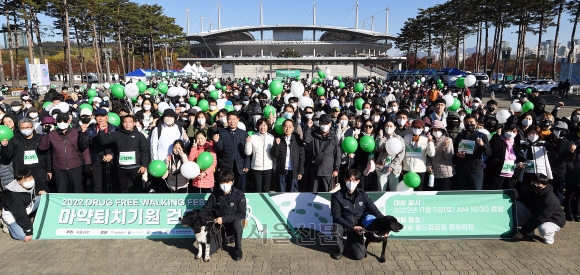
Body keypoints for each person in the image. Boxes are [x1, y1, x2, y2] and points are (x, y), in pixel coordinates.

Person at [330, 169, 384, 260]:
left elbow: (374, 210)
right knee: (335, 229)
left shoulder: (363, 195)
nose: (351, 182)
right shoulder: (336, 196)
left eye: (354, 180)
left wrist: (385, 223)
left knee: (360, 256)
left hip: (357, 226)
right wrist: (352, 227)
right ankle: (339, 249)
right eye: (349, 180)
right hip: (343, 224)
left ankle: (350, 242)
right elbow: (336, 216)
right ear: (345, 180)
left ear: (358, 181)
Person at [199, 169, 246, 261]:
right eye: (222, 182)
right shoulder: (215, 194)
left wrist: (224, 219)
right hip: (218, 226)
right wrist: (199, 222)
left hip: (232, 223)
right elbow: (205, 210)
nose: (224, 185)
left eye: (227, 182)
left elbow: (242, 214)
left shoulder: (239, 195)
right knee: (208, 251)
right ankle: (226, 239)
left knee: (237, 224)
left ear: (232, 182)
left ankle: (238, 248)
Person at [38, 112, 90, 193]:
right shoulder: (52, 134)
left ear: (69, 122)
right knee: (61, 190)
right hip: (59, 167)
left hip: (75, 165)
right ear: (56, 122)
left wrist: (87, 163)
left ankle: (79, 205)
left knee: (78, 189)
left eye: (65, 121)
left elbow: (84, 147)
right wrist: (45, 134)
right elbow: (42, 148)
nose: (62, 123)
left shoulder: (76, 132)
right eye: (60, 121)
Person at [98, 115, 150, 193]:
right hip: (122, 168)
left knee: (137, 188)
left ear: (134, 123)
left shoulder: (139, 136)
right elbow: (104, 141)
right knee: (123, 189)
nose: (127, 124)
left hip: (136, 168)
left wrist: (144, 165)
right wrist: (101, 131)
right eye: (125, 122)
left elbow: (145, 151)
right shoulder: (117, 134)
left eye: (130, 122)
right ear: (122, 123)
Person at [514, 173, 566, 245]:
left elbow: (540, 217)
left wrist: (522, 232)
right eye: (534, 182)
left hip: (553, 219)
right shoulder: (532, 190)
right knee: (518, 205)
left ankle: (549, 236)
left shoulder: (549, 199)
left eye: (538, 183)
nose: (535, 185)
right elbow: (526, 200)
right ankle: (529, 231)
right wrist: (518, 197)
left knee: (544, 229)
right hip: (537, 213)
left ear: (544, 185)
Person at [0, 118, 49, 194]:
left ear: (32, 127)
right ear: (19, 129)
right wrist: (4, 147)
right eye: (23, 128)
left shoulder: (40, 139)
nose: (25, 130)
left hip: (39, 171)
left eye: (28, 127)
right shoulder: (14, 140)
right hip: (23, 172)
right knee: (24, 194)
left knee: (42, 192)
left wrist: (49, 170)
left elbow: (47, 154)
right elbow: (8, 155)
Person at [80, 108, 117, 193]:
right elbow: (83, 145)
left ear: (107, 117)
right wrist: (82, 133)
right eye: (98, 116)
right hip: (96, 161)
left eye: (102, 116)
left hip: (111, 161)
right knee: (97, 186)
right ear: (94, 118)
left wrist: (112, 154)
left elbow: (119, 146)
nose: (100, 118)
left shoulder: (114, 129)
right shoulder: (90, 130)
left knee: (112, 184)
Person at [0, 169, 43, 241]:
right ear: (19, 182)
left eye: (31, 178)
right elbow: (20, 215)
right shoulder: (16, 198)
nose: (30, 181)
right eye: (26, 180)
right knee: (22, 236)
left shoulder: (29, 184)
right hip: (13, 215)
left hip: (27, 207)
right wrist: (29, 231)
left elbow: (32, 190)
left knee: (43, 198)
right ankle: (6, 223)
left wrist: (39, 191)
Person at [212, 112, 250, 192]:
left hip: (240, 167)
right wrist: (216, 142)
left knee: (241, 190)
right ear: (227, 120)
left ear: (238, 120)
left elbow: (247, 150)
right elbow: (219, 149)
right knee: (226, 190)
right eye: (229, 119)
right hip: (226, 166)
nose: (232, 121)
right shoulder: (221, 132)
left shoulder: (243, 133)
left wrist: (247, 164)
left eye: (234, 119)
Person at [453, 114, 492, 190]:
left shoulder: (481, 136)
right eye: (466, 122)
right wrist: (457, 154)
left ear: (476, 123)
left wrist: (482, 145)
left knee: (476, 192)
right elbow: (454, 151)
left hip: (476, 170)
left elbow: (489, 152)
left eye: (471, 122)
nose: (469, 124)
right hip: (462, 169)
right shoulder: (460, 136)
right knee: (462, 192)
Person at [304, 114, 340, 192]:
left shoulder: (334, 137)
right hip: (315, 169)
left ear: (330, 124)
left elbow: (337, 154)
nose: (324, 125)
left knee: (328, 192)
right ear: (319, 123)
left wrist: (336, 169)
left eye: (326, 123)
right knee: (313, 191)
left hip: (328, 170)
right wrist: (309, 128)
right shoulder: (313, 134)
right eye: (323, 123)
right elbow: (306, 140)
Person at [484, 124, 526, 190]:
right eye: (509, 131)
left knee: (508, 193)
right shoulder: (497, 141)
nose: (511, 133)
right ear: (504, 131)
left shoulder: (515, 144)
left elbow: (518, 156)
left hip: (510, 174)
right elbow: (491, 153)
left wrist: (520, 163)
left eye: (514, 132)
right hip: (497, 173)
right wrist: (497, 136)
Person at [271, 119, 305, 192]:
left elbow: (302, 157)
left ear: (293, 128)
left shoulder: (297, 139)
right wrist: (276, 145)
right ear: (282, 127)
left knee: (293, 191)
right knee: (281, 191)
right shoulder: (278, 139)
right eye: (286, 126)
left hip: (294, 170)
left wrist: (300, 171)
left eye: (290, 126)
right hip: (282, 170)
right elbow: (275, 155)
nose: (288, 128)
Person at [402, 119, 435, 191]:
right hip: (407, 168)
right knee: (406, 189)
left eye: (419, 128)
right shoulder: (406, 137)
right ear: (412, 127)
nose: (417, 129)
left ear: (422, 128)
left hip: (419, 169)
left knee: (418, 190)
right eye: (415, 127)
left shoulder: (425, 139)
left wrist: (430, 142)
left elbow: (431, 154)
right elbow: (402, 152)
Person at [244, 118, 274, 192]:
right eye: (260, 125)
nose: (262, 127)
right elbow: (248, 153)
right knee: (257, 189)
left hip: (268, 167)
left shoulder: (271, 137)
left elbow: (274, 153)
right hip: (256, 167)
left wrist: (275, 166)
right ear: (257, 126)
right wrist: (248, 143)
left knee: (266, 189)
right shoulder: (253, 137)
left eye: (264, 125)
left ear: (268, 126)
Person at [375, 120, 405, 191]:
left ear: (394, 127)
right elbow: (377, 149)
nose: (388, 127)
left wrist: (393, 165)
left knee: (394, 189)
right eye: (386, 126)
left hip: (394, 168)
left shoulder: (399, 138)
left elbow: (401, 153)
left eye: (390, 126)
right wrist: (381, 138)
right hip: (382, 167)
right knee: (381, 189)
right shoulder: (379, 137)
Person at [426, 120, 454, 191]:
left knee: (444, 194)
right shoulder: (429, 140)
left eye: (438, 129)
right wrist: (428, 165)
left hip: (445, 173)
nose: (436, 131)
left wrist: (447, 147)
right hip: (433, 172)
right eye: (435, 129)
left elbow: (449, 156)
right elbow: (427, 155)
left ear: (442, 131)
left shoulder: (448, 140)